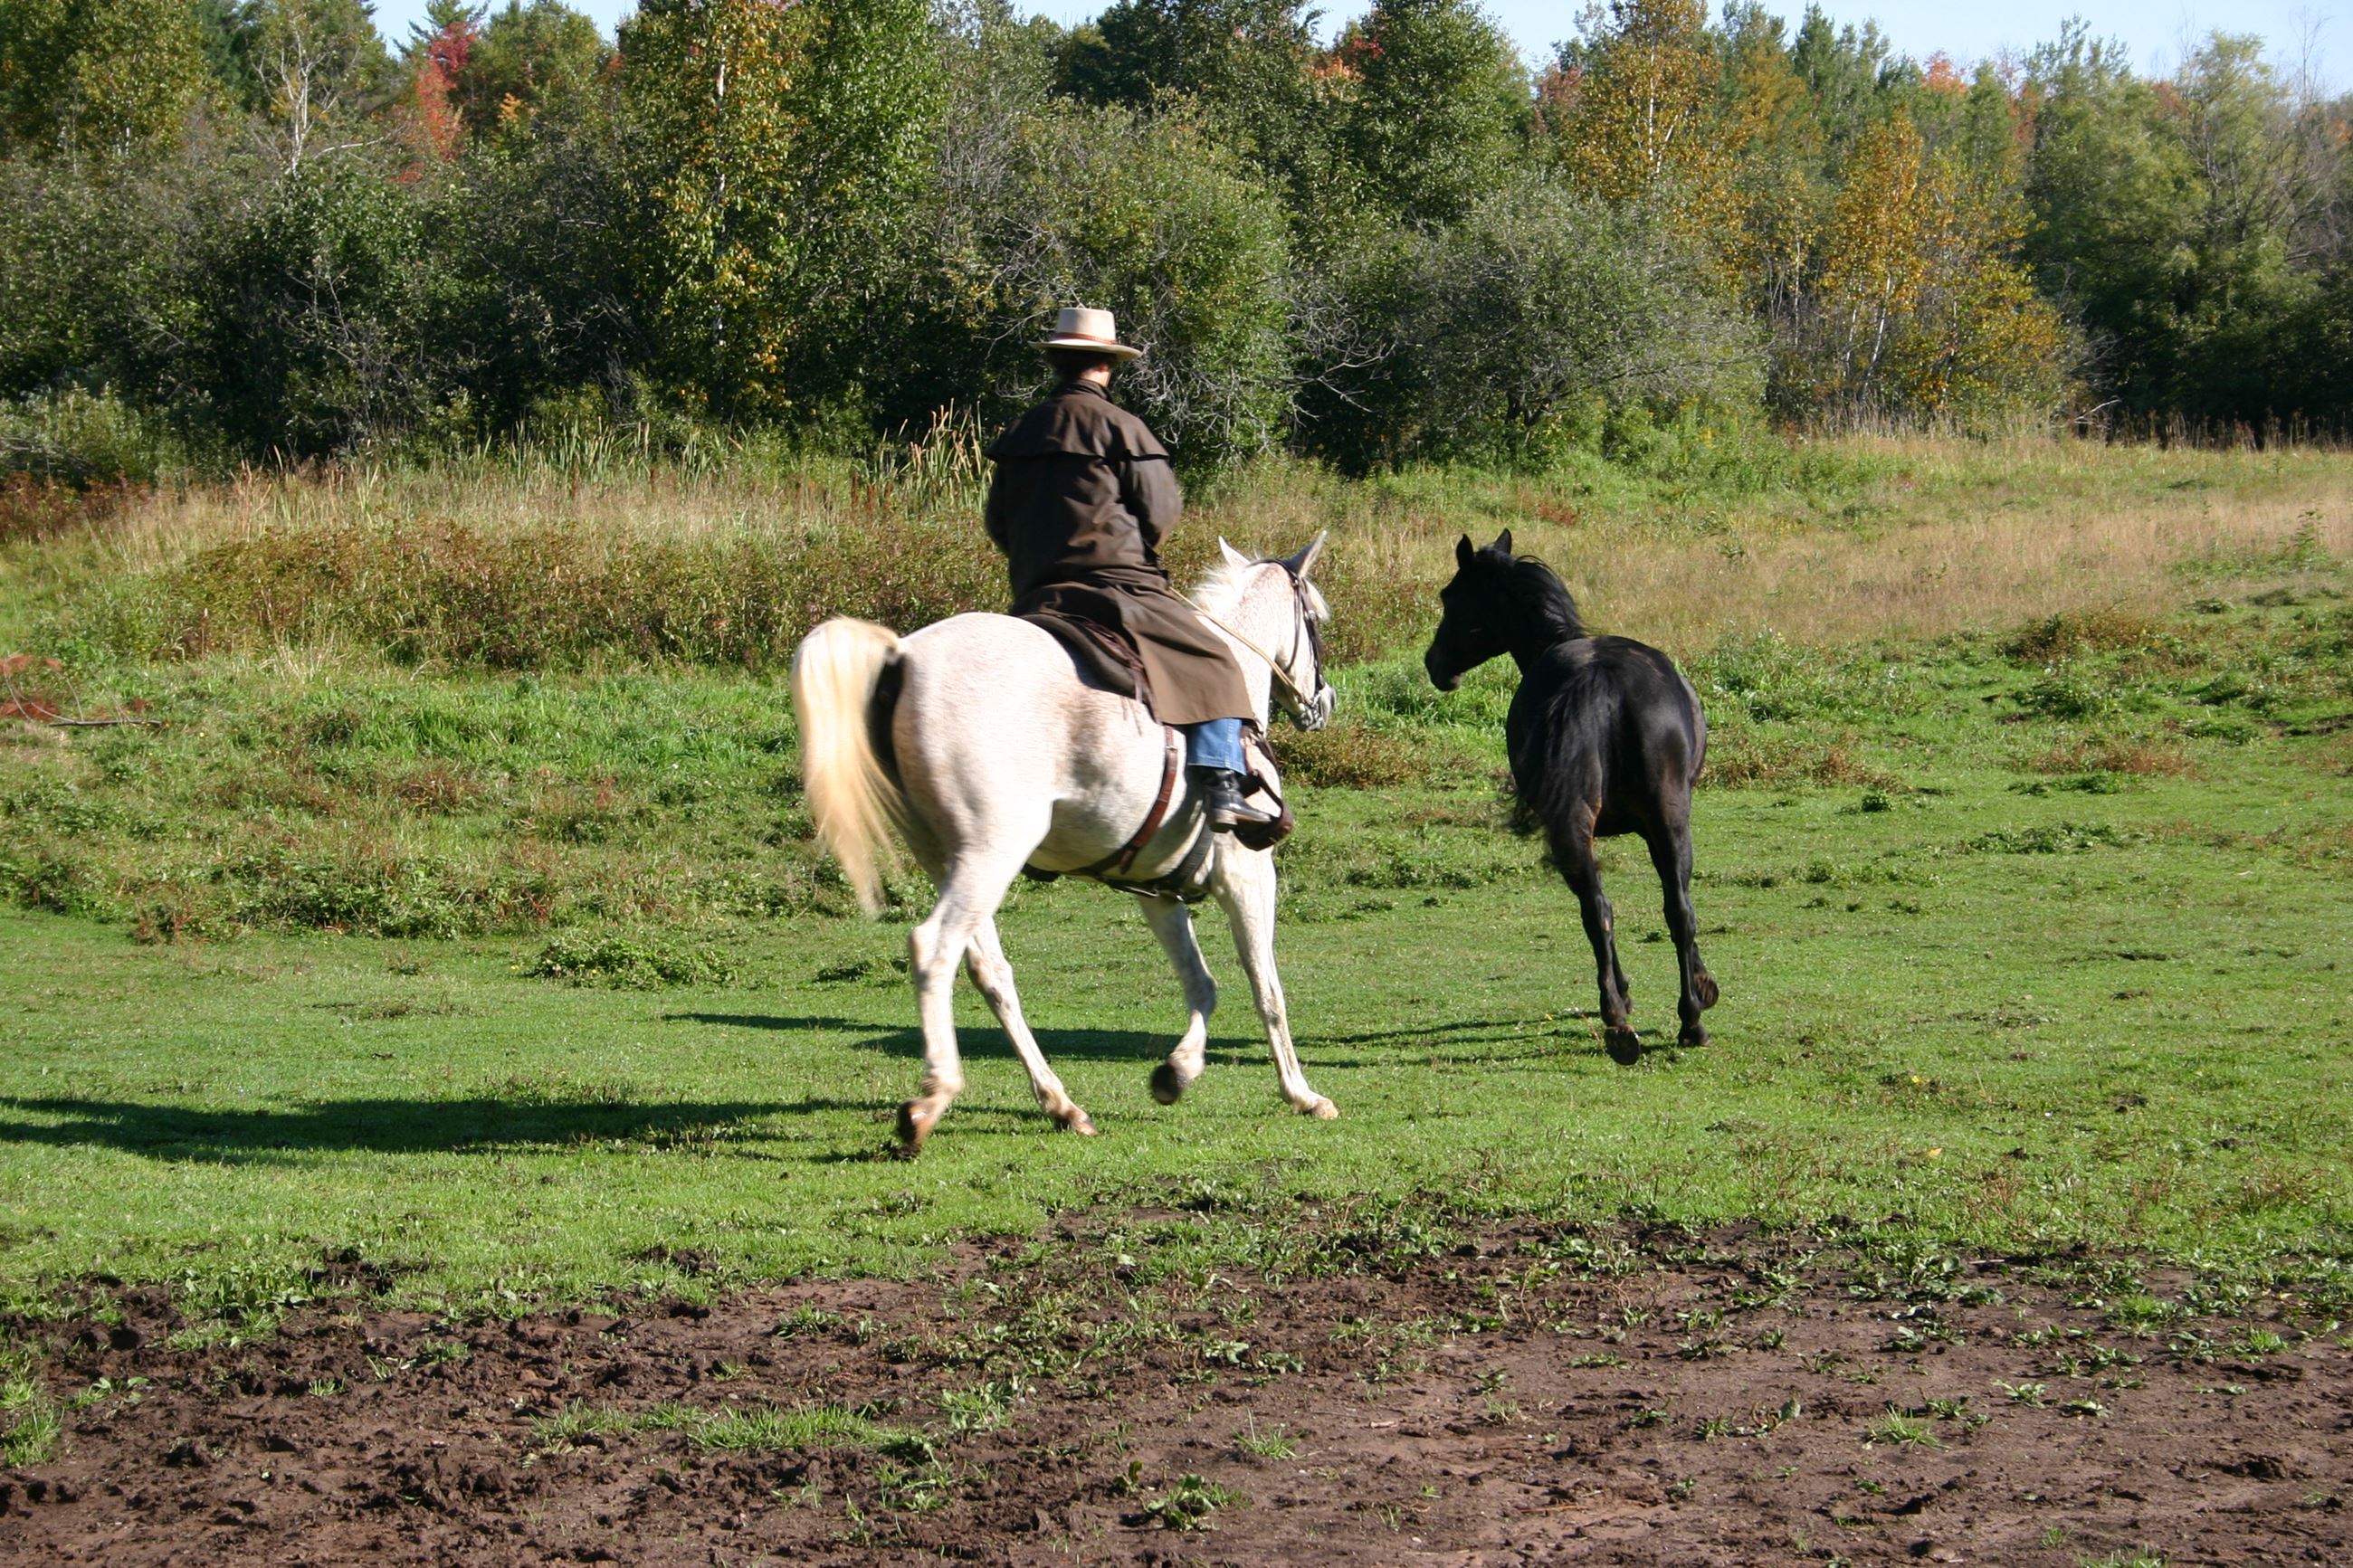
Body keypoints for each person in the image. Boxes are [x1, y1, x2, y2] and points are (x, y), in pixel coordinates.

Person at [984, 307, 1276, 832]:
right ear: (1108, 365)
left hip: (1037, 592)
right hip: (1118, 588)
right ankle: (1222, 782)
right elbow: (1161, 514)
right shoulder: (1124, 428)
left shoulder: (1020, 433)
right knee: (1213, 658)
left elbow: (998, 523)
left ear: (1055, 363)